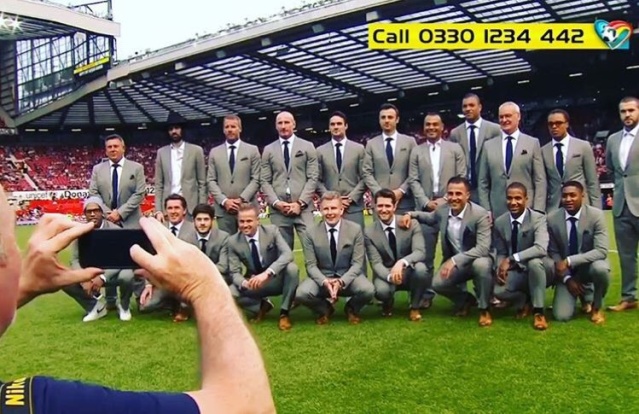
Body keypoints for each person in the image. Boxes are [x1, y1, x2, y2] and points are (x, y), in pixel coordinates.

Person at [0, 184, 274, 413]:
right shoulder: (43, 403)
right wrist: (205, 285)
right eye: (12, 236)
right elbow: (248, 406)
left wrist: (22, 286)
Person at [400, 177, 493, 326]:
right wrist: (411, 214)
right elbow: (429, 218)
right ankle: (466, 300)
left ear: (467, 195)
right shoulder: (443, 210)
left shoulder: (479, 214)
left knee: (481, 265)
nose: (453, 198)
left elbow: (483, 248)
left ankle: (485, 309)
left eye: (458, 194)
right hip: (455, 262)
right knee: (437, 284)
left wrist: (455, 260)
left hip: (477, 259)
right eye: (450, 193)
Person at [409, 112, 466, 308]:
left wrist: (445, 200)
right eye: (427, 125)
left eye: (435, 124)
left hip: (452, 208)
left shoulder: (455, 149)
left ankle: (461, 295)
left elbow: (461, 176)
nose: (431, 127)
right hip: (426, 208)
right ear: (423, 128)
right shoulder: (416, 151)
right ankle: (426, 293)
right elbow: (413, 179)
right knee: (426, 255)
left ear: (443, 127)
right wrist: (426, 202)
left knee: (456, 251)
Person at [295, 191, 375, 324]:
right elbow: (310, 265)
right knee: (302, 293)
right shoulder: (310, 232)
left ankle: (351, 308)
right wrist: (325, 281)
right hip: (322, 277)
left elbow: (357, 264)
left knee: (368, 290)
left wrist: (341, 282)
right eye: (326, 208)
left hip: (347, 277)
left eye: (333, 208)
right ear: (320, 210)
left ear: (341, 209)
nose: (330, 212)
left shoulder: (355, 229)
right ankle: (325, 308)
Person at [227, 203, 299, 331]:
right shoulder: (233, 241)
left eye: (249, 221)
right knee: (229, 293)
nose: (245, 225)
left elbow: (287, 254)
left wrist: (267, 273)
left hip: (274, 279)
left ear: (258, 221)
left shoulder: (272, 231)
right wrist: (245, 283)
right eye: (241, 221)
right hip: (254, 283)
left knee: (292, 269)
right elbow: (234, 272)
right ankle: (261, 306)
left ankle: (284, 313)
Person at [545, 181, 610, 323]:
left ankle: (596, 306)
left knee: (601, 268)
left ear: (582, 195)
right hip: (566, 272)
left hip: (588, 268)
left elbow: (601, 251)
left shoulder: (596, 215)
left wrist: (569, 260)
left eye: (573, 195)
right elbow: (553, 252)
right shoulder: (552, 218)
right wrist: (567, 279)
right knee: (561, 316)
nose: (568, 199)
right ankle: (584, 295)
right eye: (565, 196)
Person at [63, 197, 136, 322]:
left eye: (96, 210)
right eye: (88, 211)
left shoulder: (115, 231)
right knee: (64, 280)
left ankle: (124, 306)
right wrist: (83, 278)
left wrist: (102, 277)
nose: (92, 214)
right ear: (84, 214)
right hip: (89, 275)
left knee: (127, 275)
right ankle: (95, 307)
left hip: (113, 274)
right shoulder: (79, 232)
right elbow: (75, 260)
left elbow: (120, 259)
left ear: (102, 212)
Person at [492, 183, 550, 330]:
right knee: (498, 291)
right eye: (509, 198)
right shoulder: (500, 222)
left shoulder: (538, 218)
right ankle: (524, 299)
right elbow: (501, 251)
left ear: (526, 199)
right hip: (516, 270)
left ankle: (539, 312)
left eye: (518, 198)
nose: (513, 202)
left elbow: (541, 248)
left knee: (535, 263)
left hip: (540, 269)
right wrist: (500, 267)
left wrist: (511, 259)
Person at [365, 189, 427, 321]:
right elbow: (375, 263)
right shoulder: (369, 232)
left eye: (387, 206)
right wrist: (390, 276)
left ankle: (415, 307)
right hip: (386, 273)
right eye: (380, 206)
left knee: (421, 269)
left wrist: (402, 262)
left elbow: (420, 252)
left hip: (408, 270)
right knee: (381, 291)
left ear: (394, 206)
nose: (384, 209)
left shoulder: (411, 224)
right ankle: (387, 303)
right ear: (374, 207)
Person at [260, 111, 318, 250]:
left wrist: (300, 203)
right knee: (282, 256)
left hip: (303, 210)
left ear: (294, 124)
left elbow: (313, 177)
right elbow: (264, 181)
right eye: (280, 123)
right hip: (279, 211)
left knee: (313, 251)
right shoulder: (268, 150)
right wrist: (276, 203)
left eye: (287, 122)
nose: (283, 126)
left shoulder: (307, 146)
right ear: (276, 126)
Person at [477, 101, 546, 219]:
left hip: (527, 208)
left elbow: (540, 180)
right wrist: (486, 209)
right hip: (497, 211)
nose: (504, 120)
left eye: (508, 116)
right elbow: (483, 182)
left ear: (518, 117)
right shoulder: (488, 146)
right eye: (501, 117)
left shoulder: (532, 143)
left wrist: (538, 209)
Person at [605, 96, 639, 311]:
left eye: (631, 110)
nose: (627, 115)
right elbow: (611, 169)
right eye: (623, 111)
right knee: (626, 256)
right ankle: (629, 297)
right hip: (621, 206)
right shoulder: (613, 139)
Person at [206, 114, 261, 235]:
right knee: (227, 246)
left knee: (251, 245)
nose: (230, 129)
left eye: (233, 126)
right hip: (223, 210)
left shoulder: (252, 150)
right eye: (227, 127)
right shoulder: (214, 152)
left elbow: (256, 178)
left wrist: (241, 200)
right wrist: (224, 201)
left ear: (240, 128)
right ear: (223, 129)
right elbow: (210, 180)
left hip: (247, 207)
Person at [362, 103, 416, 215]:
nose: (386, 120)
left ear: (397, 119)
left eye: (390, 117)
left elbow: (415, 171)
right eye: (383, 117)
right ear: (379, 120)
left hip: (405, 202)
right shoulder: (371, 144)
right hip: (380, 204)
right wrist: (381, 194)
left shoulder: (410, 142)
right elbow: (366, 172)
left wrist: (401, 191)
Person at [541, 109, 600, 211]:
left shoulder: (583, 146)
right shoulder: (543, 151)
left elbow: (592, 181)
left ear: (567, 124)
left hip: (581, 204)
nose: (554, 127)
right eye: (550, 124)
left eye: (558, 123)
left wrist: (597, 209)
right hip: (554, 207)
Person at [316, 111, 367, 229]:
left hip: (353, 207)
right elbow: (316, 180)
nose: (336, 127)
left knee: (357, 243)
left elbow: (366, 177)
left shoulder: (359, 149)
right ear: (329, 127)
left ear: (346, 126)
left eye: (339, 124)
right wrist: (330, 198)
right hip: (330, 208)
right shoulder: (320, 151)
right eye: (332, 124)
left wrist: (351, 198)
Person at [448, 93, 501, 202]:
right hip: (465, 189)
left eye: (471, 105)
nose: (468, 109)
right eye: (465, 106)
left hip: (489, 188)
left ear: (480, 107)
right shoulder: (455, 133)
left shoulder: (495, 130)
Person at [154, 111, 207, 219]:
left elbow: (202, 183)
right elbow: (159, 185)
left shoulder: (196, 151)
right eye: (170, 129)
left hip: (190, 207)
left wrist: (201, 207)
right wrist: (158, 210)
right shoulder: (161, 152)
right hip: (168, 207)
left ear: (182, 129)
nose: (174, 131)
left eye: (177, 128)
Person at [88, 134, 146, 229]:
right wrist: (108, 213)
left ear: (123, 148)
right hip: (107, 221)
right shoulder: (97, 169)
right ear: (106, 151)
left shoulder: (137, 168)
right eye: (109, 147)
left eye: (116, 146)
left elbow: (139, 193)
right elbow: (93, 193)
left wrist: (120, 213)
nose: (112, 149)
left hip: (132, 223)